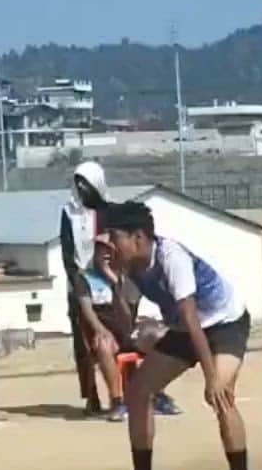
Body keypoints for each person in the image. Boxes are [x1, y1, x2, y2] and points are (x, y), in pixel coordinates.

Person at [98, 201, 259, 470]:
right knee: (139, 391)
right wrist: (116, 281)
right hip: (187, 330)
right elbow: (126, 323)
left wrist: (211, 375)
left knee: (220, 394)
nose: (111, 245)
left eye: (115, 237)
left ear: (139, 238)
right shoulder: (131, 268)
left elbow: (189, 315)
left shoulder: (172, 257)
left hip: (224, 324)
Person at [59, 161, 180, 418]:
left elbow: (130, 308)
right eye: (79, 185)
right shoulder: (70, 213)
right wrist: (81, 277)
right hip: (84, 286)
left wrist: (115, 277)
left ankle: (153, 392)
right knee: (89, 346)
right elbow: (68, 252)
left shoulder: (114, 214)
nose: (83, 191)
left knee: (150, 337)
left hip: (115, 294)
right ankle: (100, 398)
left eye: (87, 185)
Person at [74, 240, 140, 422]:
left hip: (124, 329)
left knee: (157, 338)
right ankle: (117, 401)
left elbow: (128, 314)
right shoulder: (84, 278)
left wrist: (116, 284)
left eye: (110, 250)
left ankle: (153, 397)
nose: (106, 253)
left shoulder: (121, 276)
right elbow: (87, 310)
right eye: (101, 249)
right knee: (104, 345)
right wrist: (102, 330)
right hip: (103, 329)